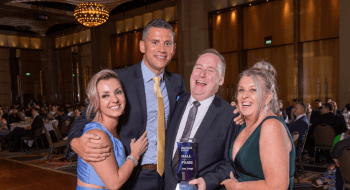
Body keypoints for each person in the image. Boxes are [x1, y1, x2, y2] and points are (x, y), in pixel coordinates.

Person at [68, 19, 186, 190]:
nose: (162, 49)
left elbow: (194, 106)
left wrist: (237, 110)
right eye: (155, 42)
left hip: (166, 176)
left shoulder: (176, 82)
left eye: (167, 43)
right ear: (142, 46)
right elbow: (85, 117)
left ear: (173, 49)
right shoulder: (119, 80)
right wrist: (75, 142)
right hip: (131, 176)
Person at [164, 49, 240, 190]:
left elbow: (232, 163)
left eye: (210, 70)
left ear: (221, 79)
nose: (202, 74)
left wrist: (208, 181)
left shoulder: (230, 115)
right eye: (198, 68)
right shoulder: (173, 104)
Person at [221, 61, 295, 190]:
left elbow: (277, 186)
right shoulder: (245, 123)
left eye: (253, 90)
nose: (245, 95)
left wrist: (236, 186)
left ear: (267, 97)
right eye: (241, 90)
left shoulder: (271, 126)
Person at [76, 69, 148, 190]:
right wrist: (135, 154)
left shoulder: (112, 129)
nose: (115, 99)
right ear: (95, 102)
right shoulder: (98, 135)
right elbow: (114, 183)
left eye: (118, 92)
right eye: (105, 95)